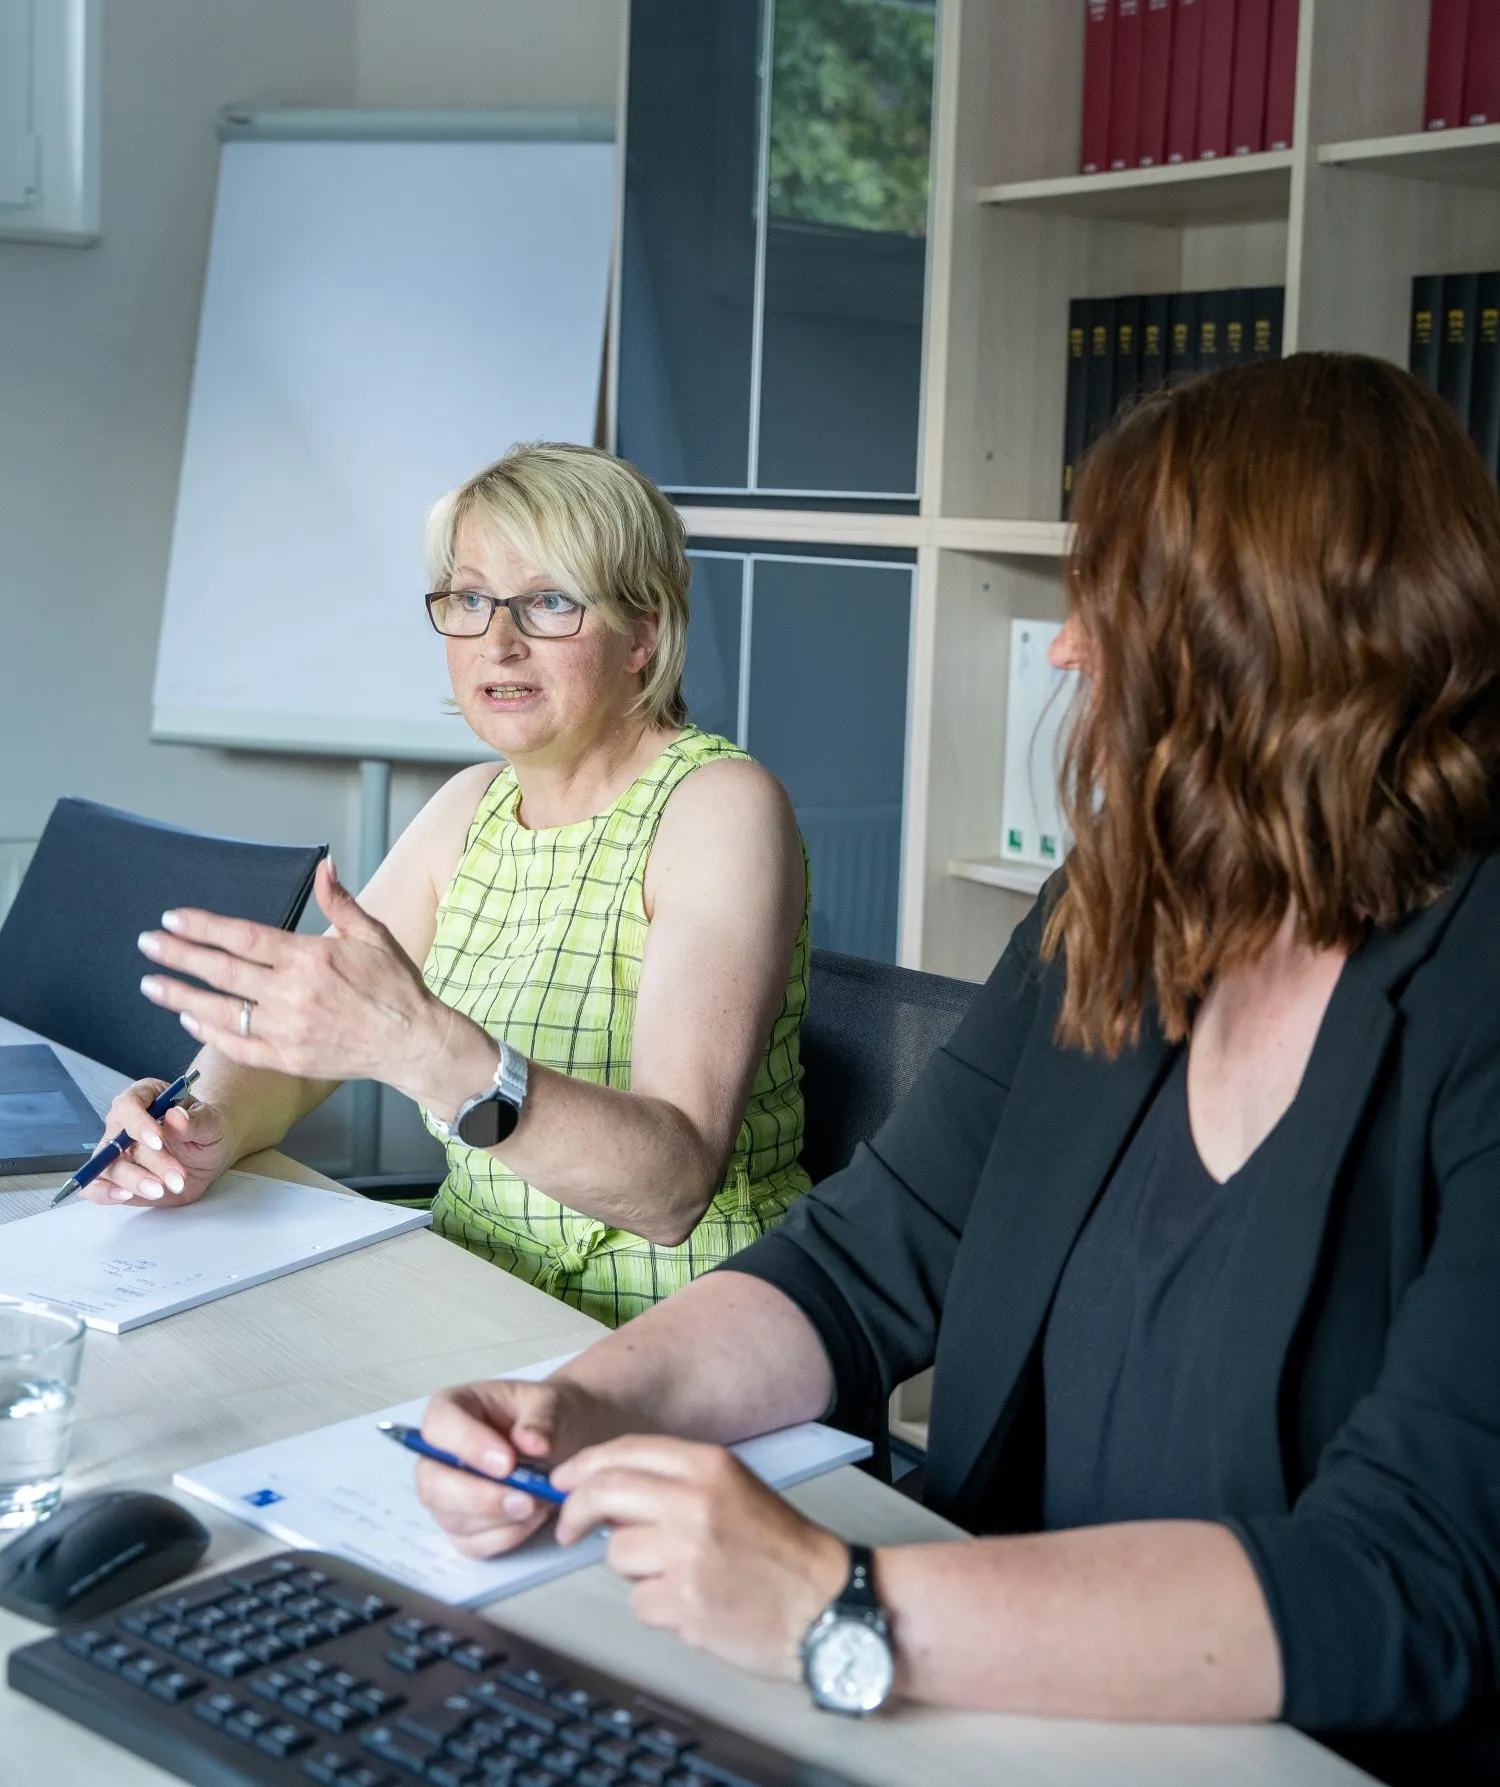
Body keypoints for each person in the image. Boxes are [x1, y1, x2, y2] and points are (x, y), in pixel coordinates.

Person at [409, 357, 1500, 1778]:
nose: (1068, 650)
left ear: (1277, 642)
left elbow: (1415, 1573)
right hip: (1002, 1703)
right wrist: (580, 1403)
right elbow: (864, 1261)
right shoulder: (1119, 910)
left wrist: (843, 1602)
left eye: (1114, 599)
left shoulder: (1475, 990)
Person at [90, 443, 812, 1325]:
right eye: (470, 600)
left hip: (674, 1323)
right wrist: (199, 1123)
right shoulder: (470, 805)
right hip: (476, 1289)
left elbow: (671, 1189)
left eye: (549, 601)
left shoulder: (719, 806)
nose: (497, 643)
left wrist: (426, 1052)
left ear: (643, 635)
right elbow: (299, 1045)